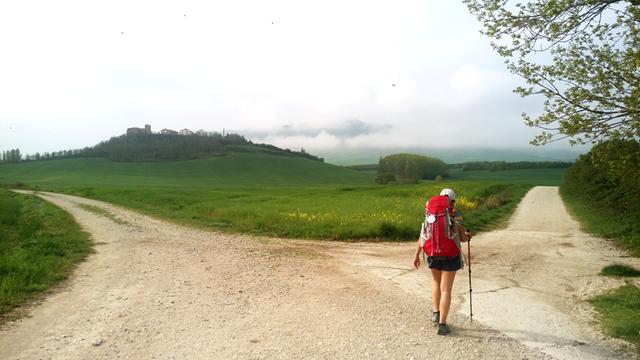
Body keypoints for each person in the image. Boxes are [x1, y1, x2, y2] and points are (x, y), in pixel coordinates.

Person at [413, 188, 471, 335]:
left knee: (435, 283)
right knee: (446, 289)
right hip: (450, 256)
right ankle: (442, 325)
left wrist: (416, 255)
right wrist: (468, 235)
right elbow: (463, 238)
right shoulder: (456, 215)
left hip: (433, 254)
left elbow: (422, 235)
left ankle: (435, 314)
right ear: (453, 201)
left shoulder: (430, 214)